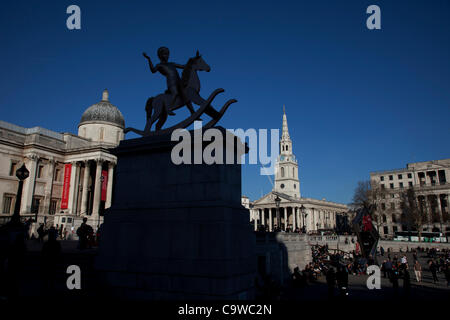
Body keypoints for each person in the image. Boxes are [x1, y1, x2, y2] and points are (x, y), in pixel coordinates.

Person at [143, 47, 187, 116]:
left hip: (179, 82)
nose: (167, 56)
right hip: (171, 83)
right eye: (164, 54)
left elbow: (183, 66)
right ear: (160, 56)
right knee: (175, 93)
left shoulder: (172, 64)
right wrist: (149, 59)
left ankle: (192, 111)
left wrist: (192, 62)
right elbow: (153, 70)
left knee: (186, 94)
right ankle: (169, 108)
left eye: (167, 54)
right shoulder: (159, 65)